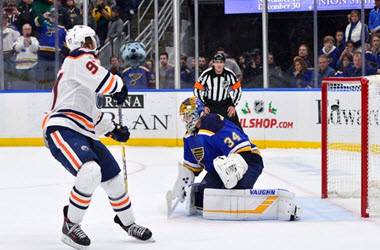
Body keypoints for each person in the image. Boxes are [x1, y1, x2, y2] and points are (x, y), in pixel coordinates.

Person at [42, 25, 153, 249]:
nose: (94, 45)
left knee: (113, 180)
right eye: (90, 41)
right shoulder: (77, 59)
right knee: (90, 171)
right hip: (62, 127)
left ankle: (128, 222)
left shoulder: (81, 72)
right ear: (82, 43)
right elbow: (108, 84)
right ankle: (71, 224)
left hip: (83, 130)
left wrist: (112, 129)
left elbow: (90, 111)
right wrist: (118, 85)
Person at [176, 96, 263, 211]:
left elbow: (242, 148)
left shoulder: (212, 122)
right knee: (202, 199)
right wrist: (182, 186)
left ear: (197, 113)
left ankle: (245, 195)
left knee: (234, 195)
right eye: (184, 117)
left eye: (188, 115)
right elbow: (191, 169)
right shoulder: (188, 137)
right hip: (221, 169)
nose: (186, 120)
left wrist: (233, 167)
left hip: (249, 160)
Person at [194, 53, 242, 130]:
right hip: (209, 105)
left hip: (225, 105)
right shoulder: (206, 74)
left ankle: (242, 142)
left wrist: (233, 105)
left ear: (224, 63)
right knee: (202, 127)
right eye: (217, 62)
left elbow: (238, 90)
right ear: (213, 63)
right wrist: (203, 105)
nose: (219, 65)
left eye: (221, 62)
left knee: (236, 128)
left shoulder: (230, 74)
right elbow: (196, 89)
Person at [12, 23, 39, 88]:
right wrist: (23, 43)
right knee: (19, 85)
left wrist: (31, 43)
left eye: (28, 29)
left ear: (31, 30)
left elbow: (36, 49)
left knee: (32, 85)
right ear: (22, 30)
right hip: (20, 67)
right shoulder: (18, 39)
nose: (27, 31)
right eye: (25, 29)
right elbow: (16, 49)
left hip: (32, 66)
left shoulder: (34, 39)